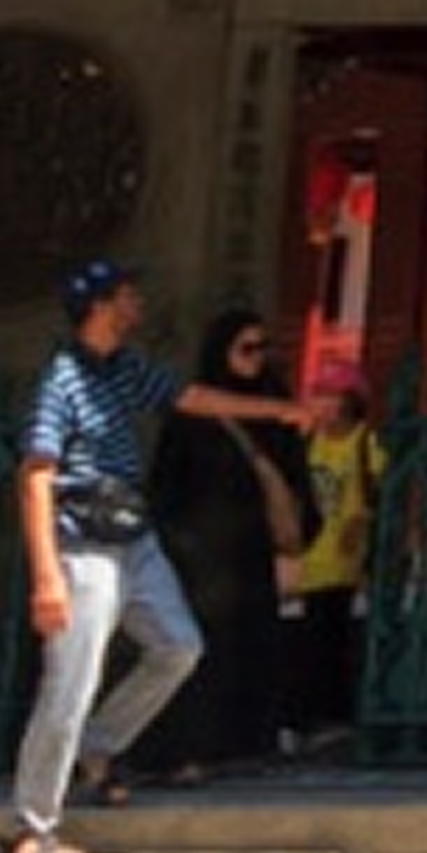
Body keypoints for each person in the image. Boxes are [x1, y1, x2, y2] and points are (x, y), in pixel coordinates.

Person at [0, 260, 202, 853]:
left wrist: (279, 411)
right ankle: (30, 826)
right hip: (82, 544)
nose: (138, 304)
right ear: (102, 306)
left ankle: (95, 745)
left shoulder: (125, 369)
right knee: (70, 682)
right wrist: (47, 577)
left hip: (132, 537)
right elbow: (36, 476)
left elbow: (188, 398)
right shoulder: (62, 381)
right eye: (127, 296)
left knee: (178, 646)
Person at [140, 311, 320, 776]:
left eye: (263, 348)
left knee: (249, 648)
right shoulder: (193, 413)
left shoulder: (275, 407)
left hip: (250, 554)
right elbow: (167, 483)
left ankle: (245, 746)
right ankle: (190, 750)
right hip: (200, 556)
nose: (257, 358)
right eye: (246, 348)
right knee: (197, 652)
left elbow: (295, 479)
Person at [279, 359, 378, 762]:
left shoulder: (364, 443)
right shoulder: (308, 442)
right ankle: (305, 720)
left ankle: (333, 718)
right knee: (305, 647)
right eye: (317, 395)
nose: (322, 404)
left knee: (333, 643)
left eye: (331, 396)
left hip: (343, 562)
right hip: (306, 560)